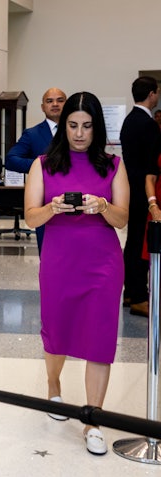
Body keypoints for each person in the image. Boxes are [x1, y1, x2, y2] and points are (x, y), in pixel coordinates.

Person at [23, 91, 129, 455]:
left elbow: (123, 218)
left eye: (86, 126)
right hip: (59, 262)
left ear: (96, 127)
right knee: (57, 332)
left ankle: (93, 420)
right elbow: (30, 216)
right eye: (72, 125)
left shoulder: (112, 165)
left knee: (99, 339)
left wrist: (102, 206)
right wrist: (52, 207)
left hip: (102, 265)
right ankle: (53, 386)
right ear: (62, 125)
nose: (79, 133)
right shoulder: (43, 164)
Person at [5, 88, 67, 254]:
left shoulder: (77, 131)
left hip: (77, 202)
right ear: (42, 107)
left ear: (67, 104)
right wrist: (42, 165)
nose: (55, 104)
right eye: (49, 101)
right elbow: (11, 160)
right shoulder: (32, 134)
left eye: (60, 100)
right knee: (48, 256)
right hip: (45, 204)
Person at [119, 76, 161, 317]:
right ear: (152, 94)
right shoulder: (147, 124)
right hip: (144, 192)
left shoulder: (129, 120)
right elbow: (151, 164)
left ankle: (129, 292)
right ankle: (138, 296)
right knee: (140, 245)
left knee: (133, 242)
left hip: (131, 190)